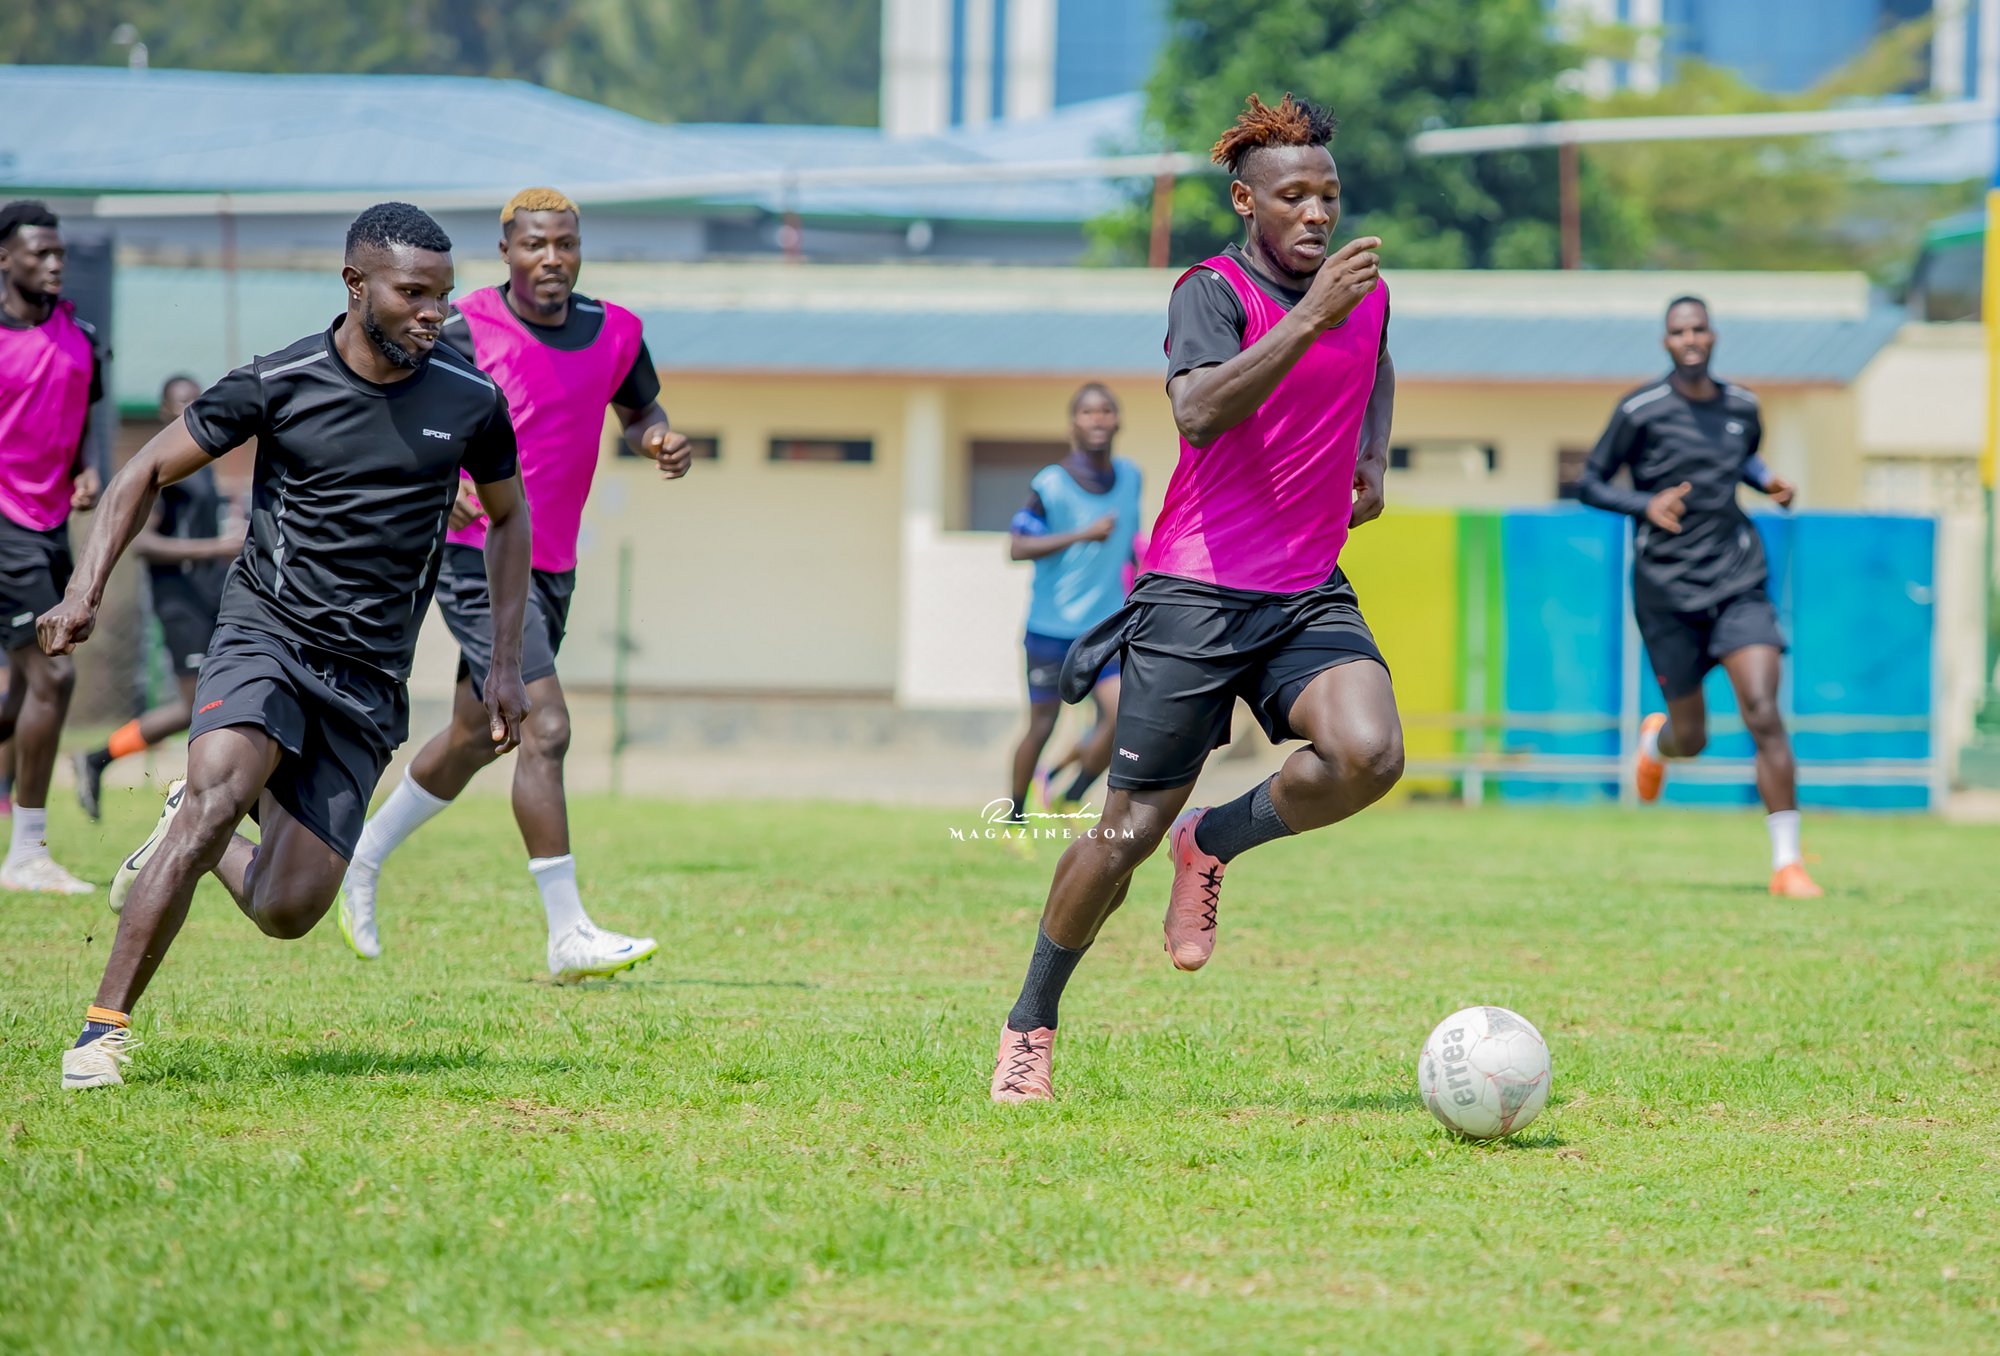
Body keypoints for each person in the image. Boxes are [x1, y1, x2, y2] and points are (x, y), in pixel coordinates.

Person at [41, 202, 530, 1091]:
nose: (434, 313)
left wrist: (502, 660)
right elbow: (143, 469)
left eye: (445, 296)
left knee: (288, 907)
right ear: (355, 285)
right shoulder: (281, 381)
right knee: (220, 797)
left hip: (369, 676)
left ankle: (188, 826)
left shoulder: (471, 402)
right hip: (266, 633)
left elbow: (507, 519)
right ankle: (100, 1033)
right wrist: (84, 590)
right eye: (414, 294)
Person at [989, 94, 1400, 1103]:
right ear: (1246, 202)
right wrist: (1308, 318)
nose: (1316, 213)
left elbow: (1376, 354)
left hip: (1305, 588)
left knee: (1369, 755)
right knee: (1122, 835)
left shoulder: (1361, 294)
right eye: (1293, 197)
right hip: (1197, 593)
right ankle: (1029, 1024)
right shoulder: (1210, 293)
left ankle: (1212, 840)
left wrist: (1373, 453)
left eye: (1328, 195)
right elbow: (1199, 412)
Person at [334, 188, 691, 983]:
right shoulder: (460, 329)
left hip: (552, 565)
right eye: (535, 244)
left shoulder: (618, 331)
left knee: (480, 734)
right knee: (544, 726)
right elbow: (394, 409)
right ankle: (568, 932)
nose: (552, 258)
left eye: (566, 243)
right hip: (476, 557)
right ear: (506, 251)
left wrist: (658, 438)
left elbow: (641, 412)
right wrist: (445, 480)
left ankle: (362, 855)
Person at [1578, 295, 1820, 899]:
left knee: (1763, 710)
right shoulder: (1640, 409)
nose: (1690, 339)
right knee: (1693, 737)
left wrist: (1767, 481)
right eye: (1678, 331)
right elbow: (1589, 482)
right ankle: (1656, 745)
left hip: (1738, 581)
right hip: (1666, 591)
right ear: (1667, 341)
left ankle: (1788, 864)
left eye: (1699, 329)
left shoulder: (1743, 406)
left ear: (1713, 336)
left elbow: (1743, 458)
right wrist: (1645, 504)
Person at [73, 375, 243, 820]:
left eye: (196, 400)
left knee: (211, 701)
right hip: (179, 603)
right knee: (196, 706)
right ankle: (103, 760)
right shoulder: (166, 470)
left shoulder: (202, 459)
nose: (190, 408)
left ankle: (102, 760)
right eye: (181, 403)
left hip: (209, 600)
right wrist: (218, 548)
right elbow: (144, 544)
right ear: (165, 411)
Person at [0, 200, 104, 893]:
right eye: (40, 252)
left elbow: (88, 412)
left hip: (49, 526)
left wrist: (88, 468)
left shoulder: (81, 336)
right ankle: (28, 852)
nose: (54, 263)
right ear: (4, 258)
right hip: (3, 524)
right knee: (53, 676)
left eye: (60, 252)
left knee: (20, 694)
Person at [1005, 382, 1141, 824]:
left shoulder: (1131, 477)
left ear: (1117, 422)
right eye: (1087, 412)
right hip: (1050, 629)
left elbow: (1129, 544)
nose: (1097, 418)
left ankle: (1070, 795)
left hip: (1103, 629)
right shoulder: (1050, 483)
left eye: (1106, 410)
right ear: (1072, 425)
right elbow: (1017, 547)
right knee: (1042, 727)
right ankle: (1013, 818)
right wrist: (1083, 535)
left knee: (1122, 717)